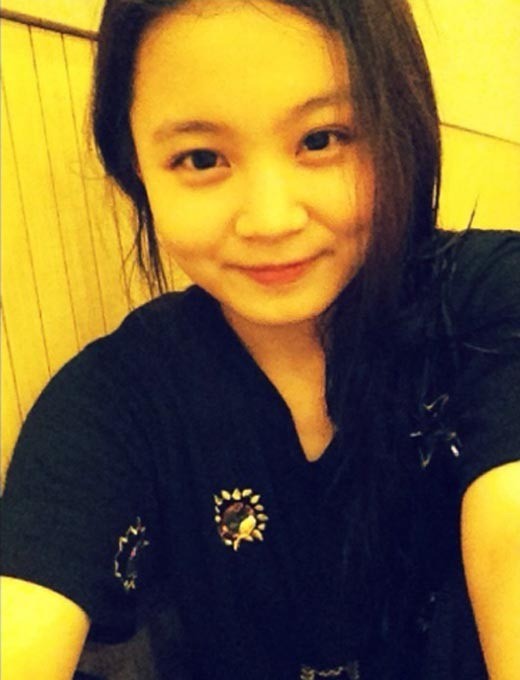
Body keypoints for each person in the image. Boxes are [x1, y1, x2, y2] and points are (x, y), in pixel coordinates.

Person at [1, 0, 519, 678]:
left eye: (322, 139)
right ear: (136, 168)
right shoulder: (117, 400)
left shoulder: (491, 300)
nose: (271, 220)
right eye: (201, 158)